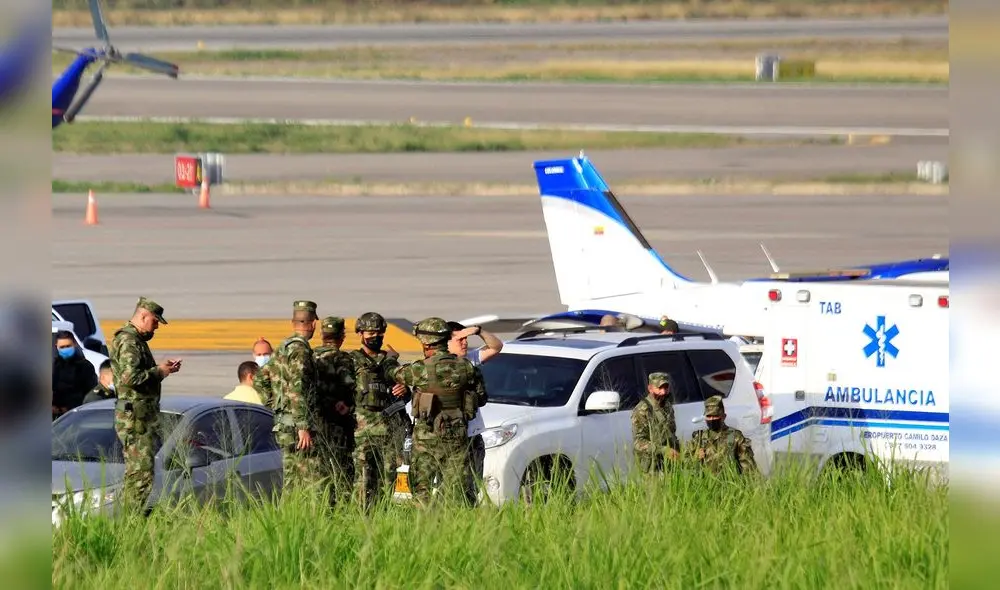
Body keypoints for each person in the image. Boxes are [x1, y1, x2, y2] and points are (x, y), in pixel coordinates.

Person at [391, 317, 487, 506]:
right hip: (456, 438)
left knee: (423, 491)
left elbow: (394, 374)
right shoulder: (466, 366)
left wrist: (390, 360)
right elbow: (481, 398)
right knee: (455, 490)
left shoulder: (420, 369)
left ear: (427, 343)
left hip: (426, 438)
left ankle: (425, 527)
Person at [109, 297, 181, 513]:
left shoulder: (134, 340)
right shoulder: (130, 341)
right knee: (141, 475)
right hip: (136, 420)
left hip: (140, 417)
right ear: (142, 316)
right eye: (155, 321)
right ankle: (132, 521)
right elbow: (130, 377)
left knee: (138, 473)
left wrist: (161, 370)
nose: (156, 326)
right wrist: (159, 372)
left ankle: (131, 518)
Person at [254, 300, 328, 504]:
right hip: (297, 428)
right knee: (313, 482)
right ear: (313, 324)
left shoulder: (282, 348)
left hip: (284, 424)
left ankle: (288, 519)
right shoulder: (301, 351)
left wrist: (273, 406)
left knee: (291, 480)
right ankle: (311, 521)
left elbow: (260, 378)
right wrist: (303, 425)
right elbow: (298, 388)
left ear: (292, 322)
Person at [349, 311, 408, 510]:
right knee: (363, 483)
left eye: (379, 333)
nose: (375, 337)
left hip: (389, 433)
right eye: (370, 333)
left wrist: (404, 390)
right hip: (362, 433)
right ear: (360, 334)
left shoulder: (390, 362)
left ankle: (386, 520)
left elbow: (404, 396)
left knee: (389, 481)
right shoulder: (352, 361)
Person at [446, 320, 502, 497]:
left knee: (472, 485)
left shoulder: (471, 359)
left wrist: (478, 331)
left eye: (466, 339)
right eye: (459, 339)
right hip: (451, 436)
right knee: (451, 485)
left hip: (473, 434)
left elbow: (496, 346)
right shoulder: (435, 366)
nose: (464, 343)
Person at [312, 315, 358, 504]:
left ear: (323, 335)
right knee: (341, 468)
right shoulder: (343, 359)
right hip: (338, 422)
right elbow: (352, 386)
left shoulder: (310, 356)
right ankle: (341, 505)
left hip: (315, 420)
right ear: (341, 337)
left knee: (319, 468)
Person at [685, 395, 759, 477]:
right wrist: (695, 457)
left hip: (730, 486)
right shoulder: (698, 438)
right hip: (704, 487)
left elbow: (749, 470)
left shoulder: (735, 437)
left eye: (715, 416)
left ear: (723, 417)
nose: (712, 419)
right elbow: (685, 466)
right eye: (709, 416)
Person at [631, 372, 680, 473]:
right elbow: (638, 442)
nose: (663, 392)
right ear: (650, 388)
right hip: (653, 468)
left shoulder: (667, 405)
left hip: (670, 465)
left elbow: (671, 433)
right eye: (659, 388)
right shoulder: (642, 410)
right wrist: (662, 450)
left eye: (666, 387)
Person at [52, 330, 97, 419]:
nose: (65, 349)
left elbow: (90, 393)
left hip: (76, 414)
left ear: (75, 344)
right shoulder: (53, 365)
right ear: (56, 346)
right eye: (62, 347)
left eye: (68, 346)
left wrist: (70, 407)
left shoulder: (85, 366)